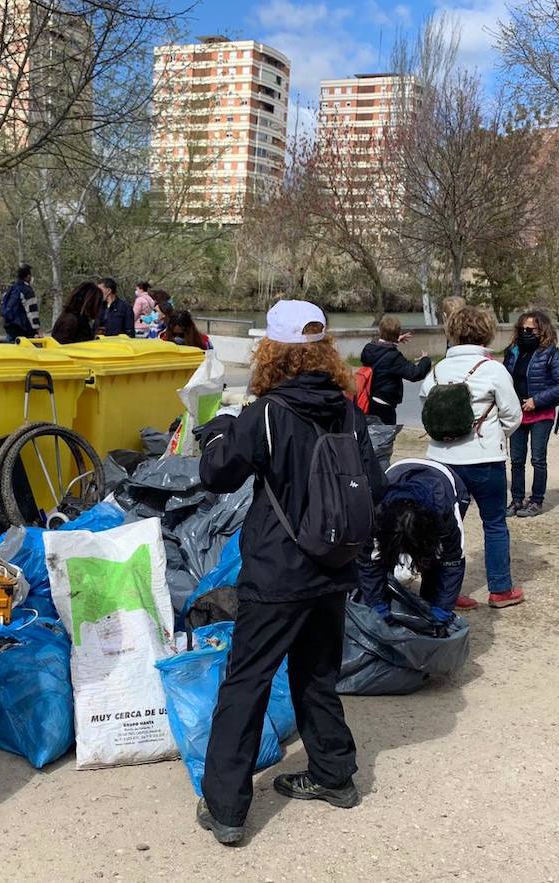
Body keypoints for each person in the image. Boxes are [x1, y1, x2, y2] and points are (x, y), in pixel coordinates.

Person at [194, 300, 385, 846]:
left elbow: (218, 475)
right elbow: (376, 481)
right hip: (333, 564)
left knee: (247, 680)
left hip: (278, 571)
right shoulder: (347, 409)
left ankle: (226, 808)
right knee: (316, 673)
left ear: (272, 351)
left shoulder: (268, 412)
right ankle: (334, 775)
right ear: (325, 350)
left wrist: (217, 434)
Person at [419, 305, 524, 610]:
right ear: (487, 333)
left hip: (442, 461)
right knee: (494, 523)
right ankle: (501, 590)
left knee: (446, 528)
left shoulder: (437, 370)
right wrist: (490, 435)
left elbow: (427, 408)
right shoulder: (492, 370)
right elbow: (512, 415)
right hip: (484, 459)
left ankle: (443, 592)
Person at [363, 457, 469, 617]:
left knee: (436, 563)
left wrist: (442, 607)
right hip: (398, 473)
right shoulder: (375, 512)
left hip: (446, 480)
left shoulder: (445, 513)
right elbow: (368, 561)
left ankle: (430, 607)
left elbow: (452, 560)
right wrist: (377, 604)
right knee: (382, 563)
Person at [502, 310, 559, 517]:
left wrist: (537, 400)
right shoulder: (513, 351)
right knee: (516, 459)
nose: (526, 332)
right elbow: (503, 380)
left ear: (542, 330)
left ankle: (536, 501)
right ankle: (516, 500)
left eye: (530, 329)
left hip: (541, 414)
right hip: (517, 414)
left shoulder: (550, 353)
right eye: (522, 329)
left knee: (538, 459)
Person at [359, 316, 431, 424]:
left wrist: (394, 341)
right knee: (385, 437)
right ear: (397, 333)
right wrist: (425, 360)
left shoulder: (369, 349)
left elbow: (381, 348)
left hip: (368, 400)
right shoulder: (394, 357)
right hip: (385, 406)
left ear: (379, 330)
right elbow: (415, 373)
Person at [2, 266, 41, 341]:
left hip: (10, 326)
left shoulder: (11, 288)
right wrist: (38, 330)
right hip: (23, 329)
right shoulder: (27, 291)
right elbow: (32, 312)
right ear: (28, 276)